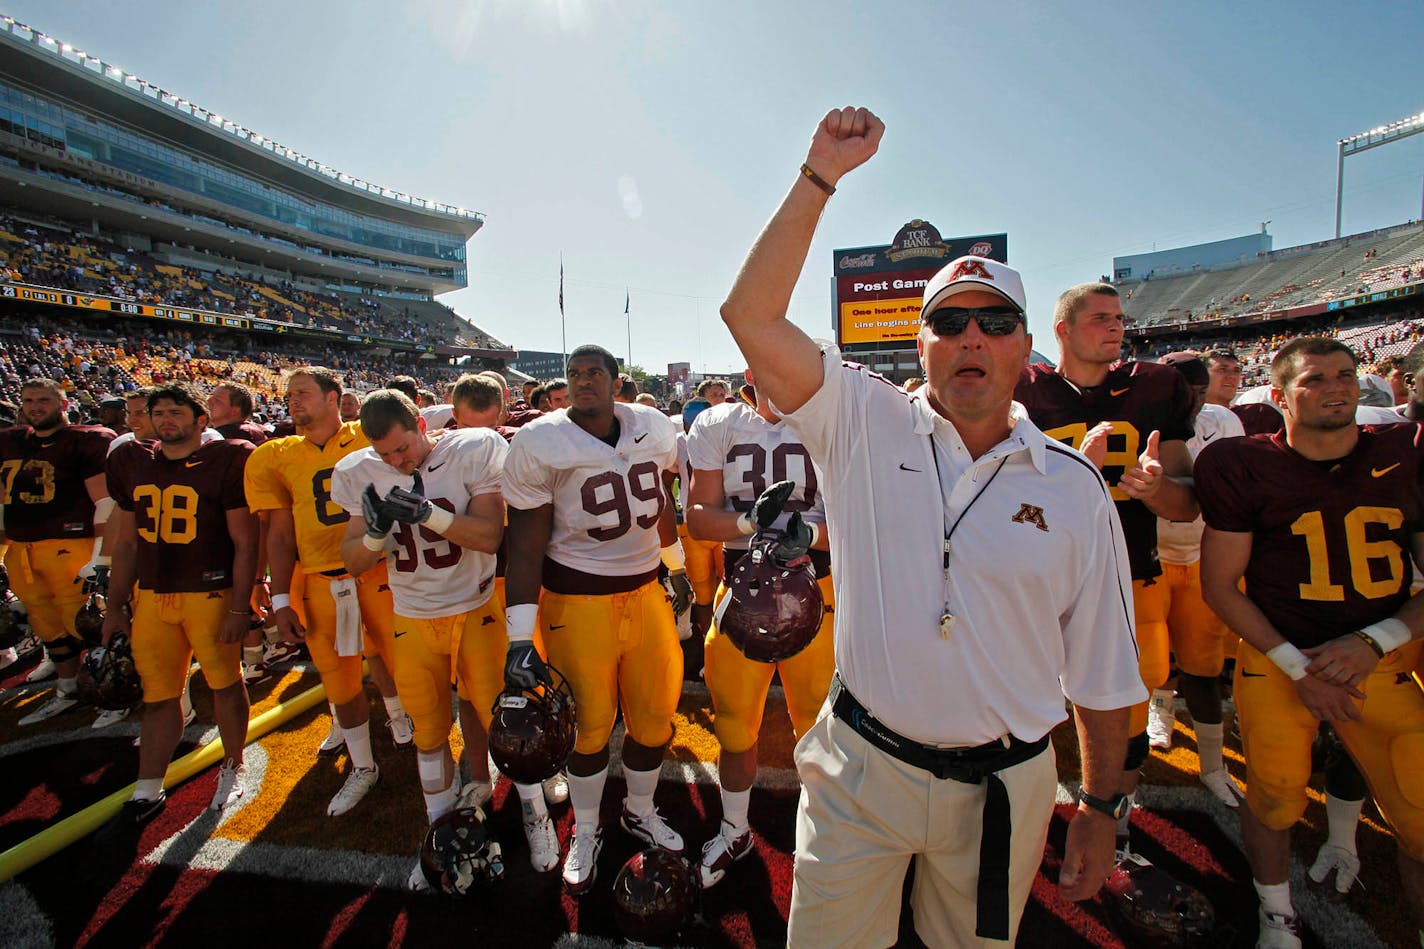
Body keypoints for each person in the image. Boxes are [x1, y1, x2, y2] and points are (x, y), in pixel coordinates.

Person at [720, 106, 1143, 946]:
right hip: (860, 767)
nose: (970, 336)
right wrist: (818, 178)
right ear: (922, 345)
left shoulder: (1075, 487)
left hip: (1004, 784)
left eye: (993, 320)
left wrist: (1100, 807)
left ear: (1028, 348)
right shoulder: (860, 419)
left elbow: (1102, 669)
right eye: (949, 321)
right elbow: (751, 317)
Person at [1198, 336, 1424, 949]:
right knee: (1274, 798)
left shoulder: (1408, 452)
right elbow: (1220, 586)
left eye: (1346, 375)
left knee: (1420, 817)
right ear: (1278, 397)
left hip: (1382, 657)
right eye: (1315, 379)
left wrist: (1373, 642)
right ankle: (1276, 913)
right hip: (1279, 657)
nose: (1337, 387)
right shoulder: (1241, 463)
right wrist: (1300, 668)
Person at [330, 391, 560, 878]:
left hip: (475, 609)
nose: (396, 460)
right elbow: (351, 561)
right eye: (385, 454)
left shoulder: (471, 448)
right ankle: (438, 834)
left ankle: (535, 814)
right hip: (411, 617)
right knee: (429, 734)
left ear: (420, 422)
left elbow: (489, 535)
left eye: (402, 447)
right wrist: (373, 534)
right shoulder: (358, 470)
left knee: (509, 722)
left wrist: (427, 514)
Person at [1014, 280, 1198, 858]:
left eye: (1119, 317)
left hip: (1128, 575)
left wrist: (1156, 489)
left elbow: (1188, 501)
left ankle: (1114, 830)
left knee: (1125, 716)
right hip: (1033, 576)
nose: (1116, 327)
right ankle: (1015, 818)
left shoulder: (1155, 386)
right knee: (1015, 707)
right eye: (1100, 318)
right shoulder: (1023, 389)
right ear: (1062, 330)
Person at [501, 344, 690, 894]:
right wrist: (519, 636)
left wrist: (676, 570)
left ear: (615, 381)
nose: (584, 381)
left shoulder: (653, 427)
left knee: (655, 719)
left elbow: (664, 505)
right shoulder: (540, 441)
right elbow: (527, 546)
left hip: (645, 594)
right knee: (587, 731)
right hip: (576, 606)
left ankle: (638, 810)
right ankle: (585, 830)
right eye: (574, 374)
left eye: (594, 373)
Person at [685, 368, 833, 888]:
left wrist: (808, 531)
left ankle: (826, 834)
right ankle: (734, 828)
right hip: (742, 586)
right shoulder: (718, 423)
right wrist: (751, 524)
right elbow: (699, 519)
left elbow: (864, 518)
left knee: (822, 726)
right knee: (733, 723)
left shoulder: (830, 417)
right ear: (749, 369)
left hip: (820, 588)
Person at [244, 368, 410, 818]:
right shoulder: (273, 455)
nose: (293, 401)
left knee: (403, 664)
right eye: (289, 394)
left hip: (382, 572)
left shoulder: (367, 434)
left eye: (303, 393)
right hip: (320, 580)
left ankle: (405, 722)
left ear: (334, 397)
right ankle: (362, 765)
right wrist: (280, 597)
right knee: (339, 681)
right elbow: (278, 535)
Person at [101, 384, 258, 824]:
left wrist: (240, 607)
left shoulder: (226, 459)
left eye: (176, 412)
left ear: (201, 420)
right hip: (152, 593)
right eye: (159, 413)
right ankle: (148, 786)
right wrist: (115, 604)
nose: (166, 419)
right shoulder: (130, 461)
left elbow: (245, 542)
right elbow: (128, 544)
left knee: (225, 683)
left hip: (209, 592)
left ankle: (234, 763)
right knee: (158, 695)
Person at [1149, 352, 1246, 806]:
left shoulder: (1224, 421)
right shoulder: (1143, 417)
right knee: (1153, 661)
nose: (1195, 402)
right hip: (1151, 556)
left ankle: (1212, 763)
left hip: (1204, 555)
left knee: (1204, 668)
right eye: (1186, 393)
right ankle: (1161, 718)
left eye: (1201, 393)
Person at [2, 379, 116, 725]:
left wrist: (101, 557)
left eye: (43, 400)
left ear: (63, 405)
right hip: (22, 550)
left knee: (93, 625)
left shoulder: (87, 439)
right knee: (46, 625)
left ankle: (117, 689)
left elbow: (106, 503)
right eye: (28, 400)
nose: (35, 406)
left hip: (72, 547)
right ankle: (68, 688)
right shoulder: (8, 442)